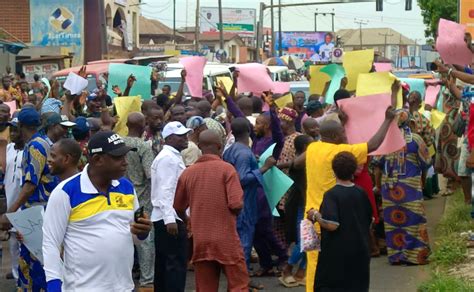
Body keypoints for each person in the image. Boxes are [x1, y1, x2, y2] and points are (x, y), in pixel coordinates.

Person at [293, 106, 395, 290]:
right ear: (334, 137)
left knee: (313, 262)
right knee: (330, 267)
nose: (345, 135)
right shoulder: (338, 153)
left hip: (309, 218)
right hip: (327, 217)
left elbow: (296, 163)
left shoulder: (313, 147)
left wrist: (342, 122)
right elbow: (372, 145)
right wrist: (387, 120)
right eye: (342, 132)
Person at [42, 131, 152, 291]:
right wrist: (54, 286)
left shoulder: (126, 187)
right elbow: (51, 243)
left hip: (123, 287)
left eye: (125, 156)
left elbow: (134, 238)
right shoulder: (66, 191)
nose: (125, 162)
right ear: (97, 159)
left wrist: (142, 232)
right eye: (118, 157)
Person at [174, 130, 249, 291]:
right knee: (239, 285)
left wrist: (189, 221)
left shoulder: (188, 173)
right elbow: (236, 204)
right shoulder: (227, 169)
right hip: (226, 238)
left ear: (200, 147)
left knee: (205, 287)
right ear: (220, 147)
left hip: (201, 239)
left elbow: (178, 207)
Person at [0, 107, 59, 291]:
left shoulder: (35, 146)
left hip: (38, 213)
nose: (13, 132)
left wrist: (9, 213)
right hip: (40, 211)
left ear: (22, 127)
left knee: (35, 265)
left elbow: (30, 184)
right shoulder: (41, 142)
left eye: (15, 128)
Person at [223, 117, 276, 290]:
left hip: (234, 201)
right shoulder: (244, 153)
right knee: (244, 245)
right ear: (249, 129)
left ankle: (240, 280)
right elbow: (242, 178)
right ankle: (241, 283)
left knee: (239, 242)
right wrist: (265, 167)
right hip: (244, 203)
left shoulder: (231, 150)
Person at [307, 152, 373, 292]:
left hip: (337, 254)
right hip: (360, 250)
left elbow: (332, 225)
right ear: (353, 171)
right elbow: (370, 220)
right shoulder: (361, 192)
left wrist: (315, 215)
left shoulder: (332, 194)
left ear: (333, 170)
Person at [374, 110, 431, 265]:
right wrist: (423, 183)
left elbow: (377, 167)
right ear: (409, 123)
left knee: (394, 222)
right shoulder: (416, 139)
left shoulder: (384, 141)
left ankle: (397, 256)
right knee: (414, 220)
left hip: (389, 188)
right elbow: (425, 163)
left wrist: (378, 186)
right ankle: (415, 256)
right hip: (411, 186)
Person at [151, 121, 192, 291]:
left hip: (168, 216)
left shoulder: (171, 156)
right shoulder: (168, 158)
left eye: (185, 135)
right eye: (180, 136)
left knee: (165, 265)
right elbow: (165, 190)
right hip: (169, 218)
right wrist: (170, 219)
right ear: (169, 138)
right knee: (174, 265)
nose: (185, 138)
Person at [123, 112, 156, 288]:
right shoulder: (143, 146)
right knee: (145, 241)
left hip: (120, 197)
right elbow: (150, 174)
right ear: (143, 126)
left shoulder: (118, 143)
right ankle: (147, 281)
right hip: (141, 199)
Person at [280, 134, 313, 287]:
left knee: (311, 241)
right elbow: (291, 165)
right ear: (305, 148)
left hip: (310, 204)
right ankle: (287, 269)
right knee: (304, 241)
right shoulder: (299, 162)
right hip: (300, 204)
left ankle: (301, 273)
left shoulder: (310, 160)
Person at [1, 117, 24, 280]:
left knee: (25, 242)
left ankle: (24, 277)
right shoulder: (8, 148)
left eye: (17, 129)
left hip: (23, 205)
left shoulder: (30, 150)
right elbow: (3, 169)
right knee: (13, 243)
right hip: (10, 202)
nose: (13, 133)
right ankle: (17, 277)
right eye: (12, 130)